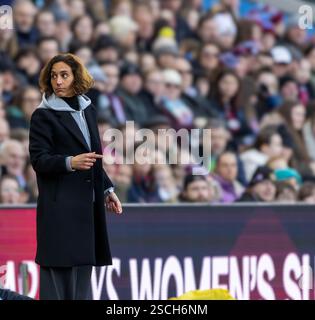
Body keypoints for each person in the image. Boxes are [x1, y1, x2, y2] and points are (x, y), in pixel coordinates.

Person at [29, 53, 122, 300]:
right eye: (54, 76)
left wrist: (106, 190)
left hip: (86, 209)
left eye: (64, 75)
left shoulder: (87, 108)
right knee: (57, 282)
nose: (58, 81)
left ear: (76, 77)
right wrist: (70, 162)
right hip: (59, 210)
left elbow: (94, 157)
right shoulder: (43, 115)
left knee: (82, 282)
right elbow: (39, 160)